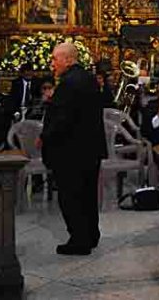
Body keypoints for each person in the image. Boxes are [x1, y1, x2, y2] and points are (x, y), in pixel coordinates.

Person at [41, 42, 107, 255]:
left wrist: (45, 136)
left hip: (71, 151)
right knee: (88, 195)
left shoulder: (69, 83)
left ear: (68, 59)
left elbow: (63, 119)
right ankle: (91, 234)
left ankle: (79, 240)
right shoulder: (88, 78)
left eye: (55, 59)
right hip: (90, 149)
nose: (53, 64)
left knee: (71, 196)